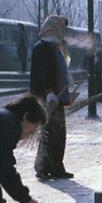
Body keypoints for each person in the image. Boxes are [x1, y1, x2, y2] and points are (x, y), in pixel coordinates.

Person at [30, 15, 73, 180]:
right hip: (48, 98)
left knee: (57, 134)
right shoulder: (42, 48)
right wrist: (48, 92)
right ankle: (45, 167)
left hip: (56, 97)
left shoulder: (54, 47)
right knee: (50, 133)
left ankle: (54, 166)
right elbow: (41, 75)